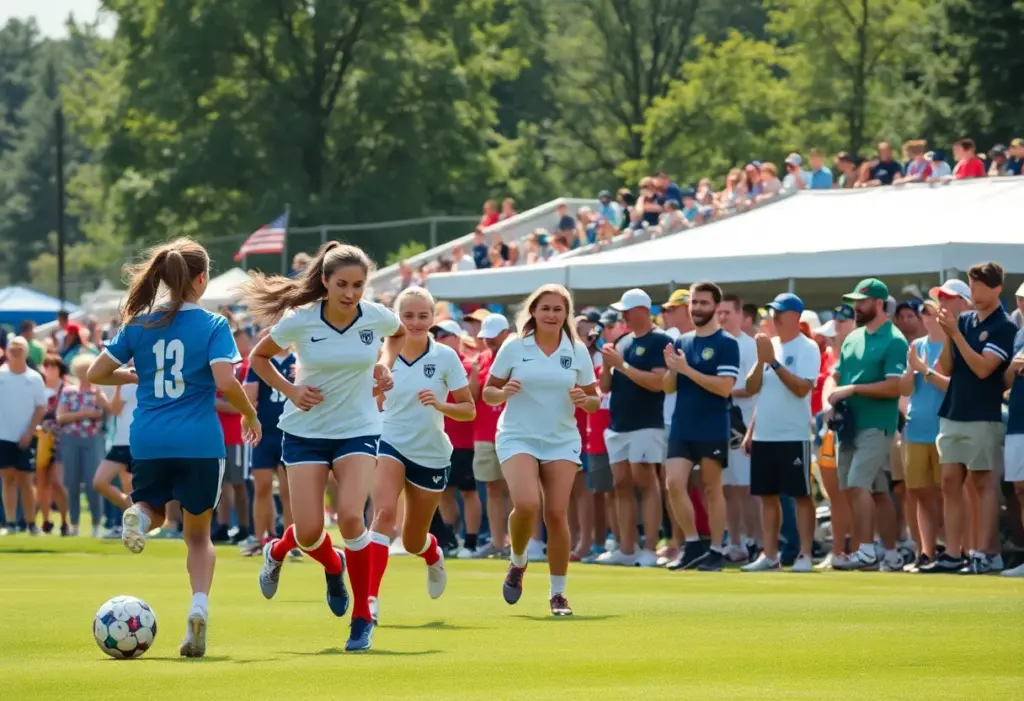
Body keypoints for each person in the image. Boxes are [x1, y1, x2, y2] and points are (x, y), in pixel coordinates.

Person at [87, 237, 260, 658]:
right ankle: (198, 609)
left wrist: (133, 377)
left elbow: (96, 372)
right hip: (199, 442)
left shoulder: (139, 324)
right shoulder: (214, 325)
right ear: (201, 279)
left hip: (149, 439)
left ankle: (139, 518)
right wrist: (249, 415)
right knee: (198, 537)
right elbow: (224, 381)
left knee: (153, 508)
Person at [246, 241, 405, 652]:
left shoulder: (375, 316)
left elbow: (398, 334)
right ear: (325, 282)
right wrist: (290, 389)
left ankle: (362, 618)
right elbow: (258, 359)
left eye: (358, 285)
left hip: (359, 427)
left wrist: (385, 362)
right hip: (305, 430)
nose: (350, 293)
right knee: (312, 530)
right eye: (342, 284)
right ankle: (315, 561)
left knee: (353, 517)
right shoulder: (300, 320)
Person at [483, 283, 598, 616]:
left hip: (561, 439)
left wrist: (584, 399)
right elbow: (489, 392)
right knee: (527, 503)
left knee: (557, 513)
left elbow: (592, 400)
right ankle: (518, 560)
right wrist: (503, 394)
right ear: (533, 311)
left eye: (558, 309)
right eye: (545, 308)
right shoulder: (514, 345)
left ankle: (558, 594)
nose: (551, 314)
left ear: (566, 315)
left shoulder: (576, 350)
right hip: (517, 435)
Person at [366, 287, 474, 624]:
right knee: (383, 513)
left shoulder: (445, 357)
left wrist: (441, 405)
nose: (415, 322)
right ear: (396, 318)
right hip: (389, 439)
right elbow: (360, 398)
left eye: (422, 316)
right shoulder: (381, 354)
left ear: (433, 318)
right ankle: (369, 599)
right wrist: (374, 391)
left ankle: (431, 553)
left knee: (412, 539)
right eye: (408, 315)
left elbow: (469, 409)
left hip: (430, 451)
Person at [925, 263, 1016, 574]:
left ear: (996, 289)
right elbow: (947, 367)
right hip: (954, 411)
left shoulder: (1004, 326)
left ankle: (987, 552)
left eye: (978, 287)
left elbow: (982, 368)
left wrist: (955, 334)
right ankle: (952, 553)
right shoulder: (963, 321)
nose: (973, 292)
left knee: (982, 483)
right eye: (971, 285)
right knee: (950, 481)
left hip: (983, 413)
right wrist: (952, 334)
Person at [826, 278, 908, 572]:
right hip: (849, 424)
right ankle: (891, 552)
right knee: (872, 491)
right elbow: (836, 376)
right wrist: (830, 401)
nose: (855, 307)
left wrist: (854, 390)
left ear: (878, 303)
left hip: (877, 424)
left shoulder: (895, 340)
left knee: (858, 483)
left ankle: (865, 551)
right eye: (854, 301)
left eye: (861, 301)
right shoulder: (852, 337)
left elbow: (894, 386)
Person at [662, 282, 740, 571]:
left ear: (716, 307)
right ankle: (693, 543)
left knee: (711, 487)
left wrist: (686, 370)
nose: (696, 308)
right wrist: (671, 367)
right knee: (673, 483)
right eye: (694, 303)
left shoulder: (726, 343)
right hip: (683, 423)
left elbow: (724, 388)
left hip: (712, 423)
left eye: (703, 303)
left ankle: (717, 549)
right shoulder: (682, 341)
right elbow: (669, 387)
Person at [741, 294, 820, 572]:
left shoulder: (807, 347)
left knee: (800, 495)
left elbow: (802, 388)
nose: (774, 316)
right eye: (772, 311)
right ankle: (770, 555)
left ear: (795, 316)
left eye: (780, 312)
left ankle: (806, 555)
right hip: (765, 434)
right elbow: (753, 388)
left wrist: (773, 362)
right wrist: (751, 431)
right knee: (767, 496)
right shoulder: (769, 345)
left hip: (793, 435)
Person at [598, 289, 670, 567]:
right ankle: (627, 548)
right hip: (619, 423)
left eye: (627, 310)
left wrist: (621, 365)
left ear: (642, 310)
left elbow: (658, 382)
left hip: (646, 422)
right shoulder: (622, 340)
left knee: (645, 480)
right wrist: (607, 368)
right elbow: (605, 387)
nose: (623, 315)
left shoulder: (660, 341)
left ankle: (649, 548)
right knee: (620, 484)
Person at [243, 329, 300, 559]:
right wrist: (248, 418)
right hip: (265, 433)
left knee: (289, 492)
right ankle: (260, 539)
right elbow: (249, 394)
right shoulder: (260, 360)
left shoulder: (298, 361)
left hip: (291, 433)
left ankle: (291, 541)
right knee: (262, 487)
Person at [717, 293, 760, 563]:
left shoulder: (750, 346)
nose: (721, 317)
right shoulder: (717, 345)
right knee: (728, 487)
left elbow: (754, 387)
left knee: (746, 487)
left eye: (727, 313)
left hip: (744, 424)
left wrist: (724, 390)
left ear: (739, 314)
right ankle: (735, 542)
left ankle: (756, 540)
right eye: (719, 313)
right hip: (720, 424)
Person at [470, 313, 512, 557]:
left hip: (512, 431)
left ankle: (517, 543)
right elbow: (474, 397)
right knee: (493, 488)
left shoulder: (517, 357)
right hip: (484, 432)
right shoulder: (481, 359)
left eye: (494, 337)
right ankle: (497, 542)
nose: (489, 342)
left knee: (514, 488)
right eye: (486, 337)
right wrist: (475, 374)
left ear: (506, 334)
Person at [58, 354, 112, 538]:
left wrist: (102, 402)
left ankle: (97, 524)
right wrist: (82, 414)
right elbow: (60, 417)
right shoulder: (68, 392)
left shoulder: (98, 392)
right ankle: (74, 524)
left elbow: (110, 412)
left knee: (93, 482)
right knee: (71, 482)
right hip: (71, 438)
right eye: (82, 372)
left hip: (93, 438)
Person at [0, 337, 48, 535]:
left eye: (20, 348)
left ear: (26, 352)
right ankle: (10, 523)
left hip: (27, 436)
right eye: (13, 348)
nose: (16, 351)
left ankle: (30, 523)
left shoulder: (35, 378)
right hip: (4, 436)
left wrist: (29, 431)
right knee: (8, 479)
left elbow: (41, 407)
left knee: (27, 480)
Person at [93, 375, 138, 535]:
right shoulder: (123, 380)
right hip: (121, 441)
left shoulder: (149, 375)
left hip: (141, 440)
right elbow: (115, 410)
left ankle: (137, 523)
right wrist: (118, 387)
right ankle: (136, 515)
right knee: (100, 482)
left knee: (134, 486)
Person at [36, 354, 70, 535]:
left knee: (57, 481)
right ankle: (46, 520)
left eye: (53, 367)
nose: (49, 370)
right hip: (41, 437)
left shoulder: (66, 389)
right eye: (46, 366)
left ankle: (65, 520)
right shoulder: (38, 387)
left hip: (61, 439)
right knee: (41, 482)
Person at [1002, 325, 1024, 577]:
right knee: (1020, 488)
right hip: (1018, 421)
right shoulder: (1019, 335)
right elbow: (1006, 382)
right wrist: (1011, 369)